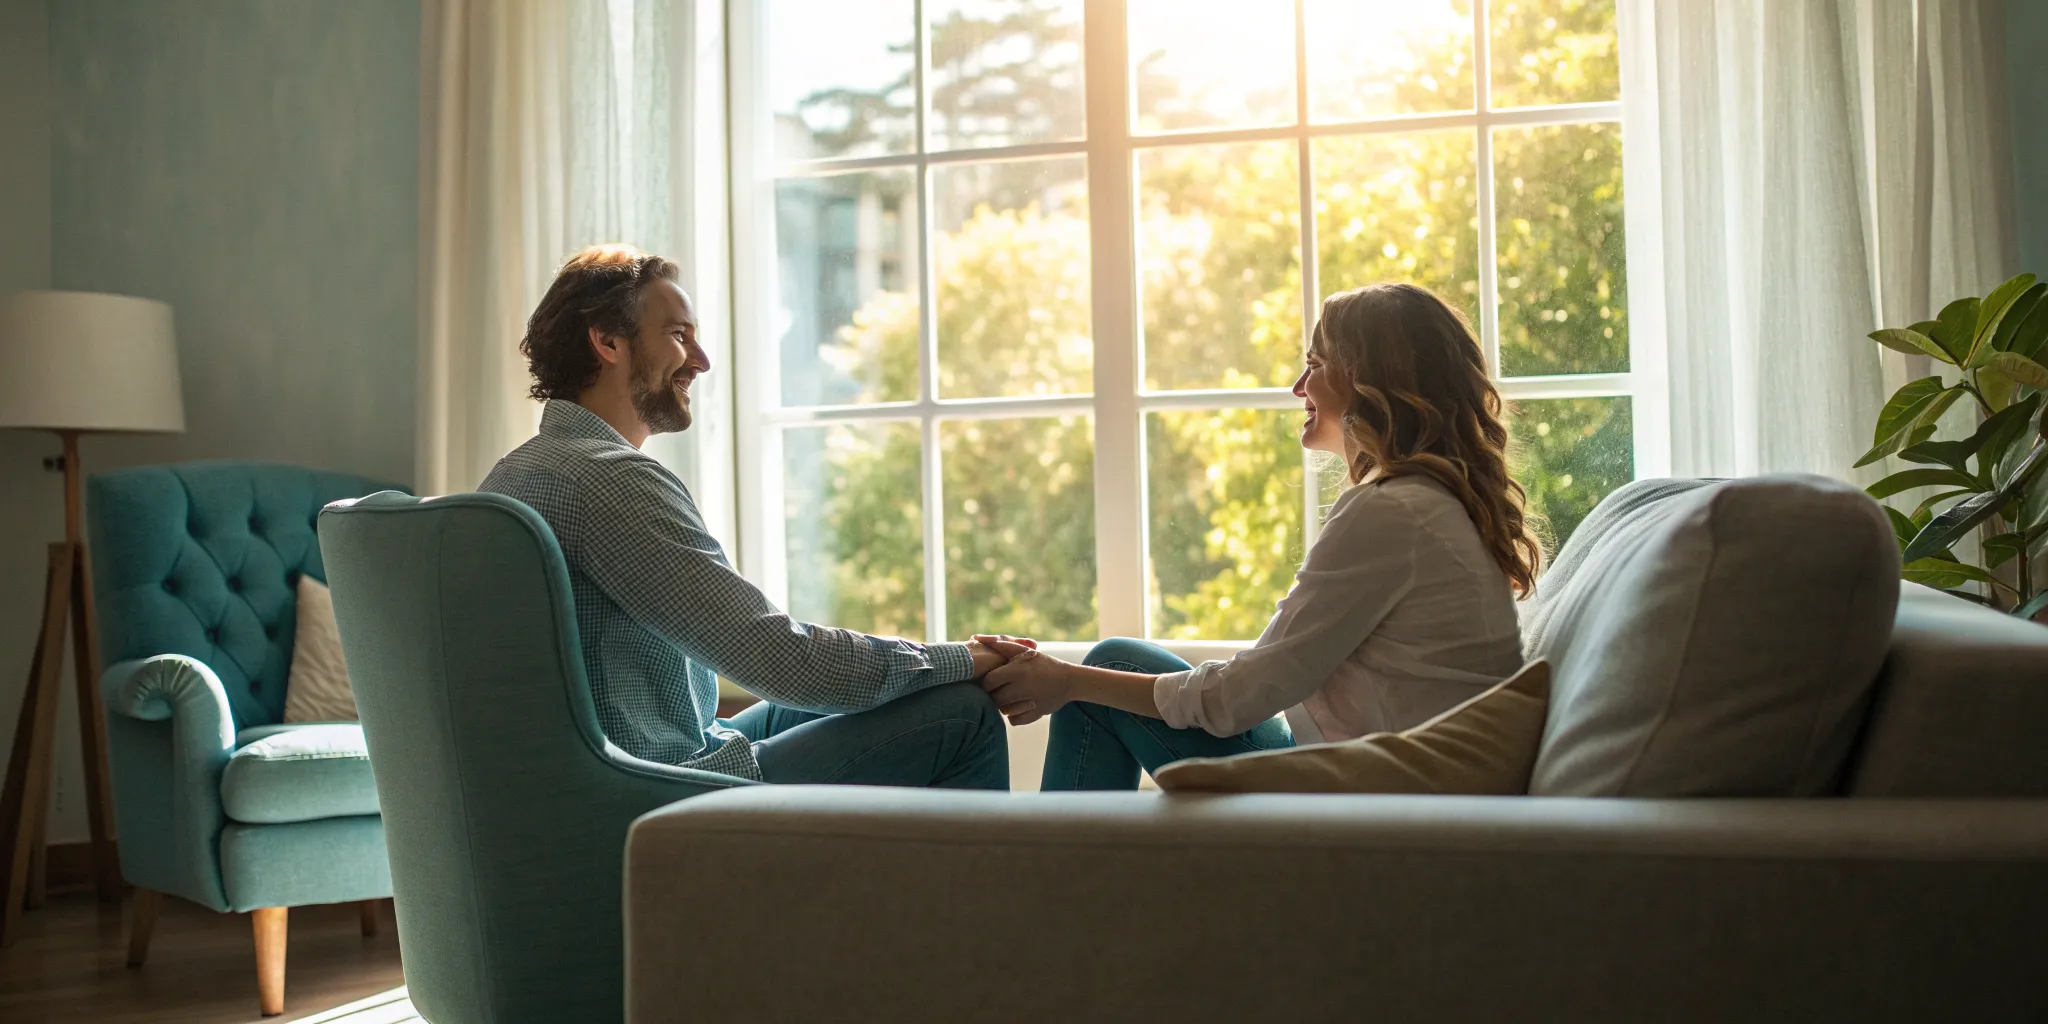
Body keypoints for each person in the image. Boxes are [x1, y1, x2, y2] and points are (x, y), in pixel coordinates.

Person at [482, 244, 1014, 788]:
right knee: (962, 713)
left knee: (915, 690)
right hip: (660, 792)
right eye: (679, 335)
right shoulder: (609, 481)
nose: (701, 360)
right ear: (607, 341)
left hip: (645, 758)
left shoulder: (516, 473)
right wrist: (962, 658)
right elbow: (785, 661)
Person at [980, 283, 1538, 790]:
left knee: (1104, 675)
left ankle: (1051, 889)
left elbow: (1235, 701)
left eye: (1316, 363)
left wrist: (1066, 680)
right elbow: (1269, 675)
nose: (1298, 386)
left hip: (1369, 796)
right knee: (1103, 674)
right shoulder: (1424, 507)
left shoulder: (1395, 512)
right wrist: (1067, 679)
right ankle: (1065, 886)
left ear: (1370, 381)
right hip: (1374, 776)